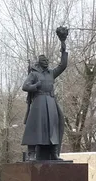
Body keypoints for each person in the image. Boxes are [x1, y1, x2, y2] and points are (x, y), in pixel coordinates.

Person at [21, 27, 68, 161]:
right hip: (39, 102)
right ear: (40, 63)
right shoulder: (34, 73)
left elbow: (63, 65)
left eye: (47, 61)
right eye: (44, 61)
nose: (47, 63)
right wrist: (35, 86)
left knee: (53, 126)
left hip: (51, 101)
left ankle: (53, 152)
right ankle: (31, 153)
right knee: (35, 126)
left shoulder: (51, 73)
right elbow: (25, 86)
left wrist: (63, 43)